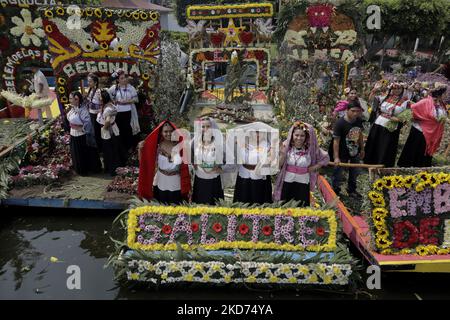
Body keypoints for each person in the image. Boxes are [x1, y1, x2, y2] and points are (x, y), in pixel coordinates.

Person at [273, 121, 329, 206]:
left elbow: (325, 158)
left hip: (303, 182)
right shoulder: (285, 146)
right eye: (296, 135)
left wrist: (313, 168)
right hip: (287, 181)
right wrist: (283, 154)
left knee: (301, 207)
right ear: (292, 135)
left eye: (302, 135)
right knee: (284, 206)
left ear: (306, 137)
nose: (299, 138)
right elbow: (278, 166)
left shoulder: (311, 149)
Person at [137, 120, 191, 204]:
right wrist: (141, 149)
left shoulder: (181, 146)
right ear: (161, 132)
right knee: (161, 208)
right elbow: (145, 163)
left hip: (176, 183)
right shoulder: (157, 147)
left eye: (171, 131)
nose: (169, 134)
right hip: (161, 181)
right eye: (166, 131)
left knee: (177, 209)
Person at [398, 86, 448, 167]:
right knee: (415, 149)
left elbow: (442, 116)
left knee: (425, 151)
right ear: (439, 95)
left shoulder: (441, 105)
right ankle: (408, 168)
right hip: (420, 130)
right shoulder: (426, 101)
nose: (445, 96)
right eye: (444, 94)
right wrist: (416, 117)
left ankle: (422, 168)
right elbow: (413, 108)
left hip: (432, 133)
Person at [364, 82, 410, 167]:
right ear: (391, 89)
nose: (396, 90)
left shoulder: (405, 101)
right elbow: (370, 100)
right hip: (378, 124)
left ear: (402, 89)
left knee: (385, 146)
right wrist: (374, 90)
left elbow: (407, 116)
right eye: (394, 88)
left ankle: (382, 165)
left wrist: (397, 119)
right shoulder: (385, 97)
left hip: (390, 127)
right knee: (374, 143)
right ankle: (369, 163)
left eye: (399, 88)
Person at [232, 122, 278, 205]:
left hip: (260, 176)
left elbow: (272, 159)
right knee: (243, 199)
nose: (258, 134)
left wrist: (274, 145)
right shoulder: (242, 143)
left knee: (259, 200)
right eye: (255, 132)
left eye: (261, 132)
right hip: (244, 174)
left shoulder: (267, 145)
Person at [329, 101, 364, 198]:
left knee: (354, 172)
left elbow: (360, 134)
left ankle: (352, 189)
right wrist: (336, 157)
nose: (355, 113)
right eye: (353, 111)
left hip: (354, 151)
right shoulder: (340, 123)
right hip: (341, 152)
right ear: (347, 110)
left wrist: (362, 149)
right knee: (338, 173)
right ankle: (335, 191)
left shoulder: (358, 120)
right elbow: (336, 141)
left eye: (358, 111)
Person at [66, 91, 102, 176]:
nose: (69, 100)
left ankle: (86, 169)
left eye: (71, 98)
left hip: (81, 135)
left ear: (77, 99)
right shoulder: (72, 108)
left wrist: (81, 128)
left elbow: (88, 123)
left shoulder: (83, 110)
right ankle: (79, 169)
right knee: (76, 153)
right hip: (73, 133)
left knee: (83, 153)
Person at [191, 117, 225, 205]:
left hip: (213, 180)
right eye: (203, 126)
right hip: (200, 179)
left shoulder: (219, 142)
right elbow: (190, 155)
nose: (205, 129)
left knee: (214, 206)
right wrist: (194, 164)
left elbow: (226, 160)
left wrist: (220, 167)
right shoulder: (195, 141)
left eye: (208, 126)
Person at [108, 70, 140, 154]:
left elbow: (136, 99)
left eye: (125, 77)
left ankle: (130, 148)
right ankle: (121, 149)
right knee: (119, 130)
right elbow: (107, 95)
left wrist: (127, 101)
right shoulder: (114, 88)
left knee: (128, 130)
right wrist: (113, 101)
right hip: (117, 113)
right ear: (118, 80)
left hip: (128, 112)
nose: (124, 79)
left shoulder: (130, 88)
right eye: (122, 78)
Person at [96, 89, 124, 176]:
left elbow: (107, 121)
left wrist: (104, 128)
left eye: (100, 97)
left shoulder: (108, 108)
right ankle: (113, 167)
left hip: (109, 132)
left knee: (109, 150)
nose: (99, 99)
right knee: (113, 149)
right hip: (112, 130)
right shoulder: (109, 105)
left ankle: (113, 169)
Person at [85, 73, 102, 151]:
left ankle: (99, 147)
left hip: (97, 114)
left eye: (90, 81)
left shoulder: (98, 91)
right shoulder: (90, 90)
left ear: (95, 82)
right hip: (91, 113)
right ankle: (96, 146)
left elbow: (102, 103)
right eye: (88, 81)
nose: (88, 83)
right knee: (93, 131)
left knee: (97, 131)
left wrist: (100, 113)